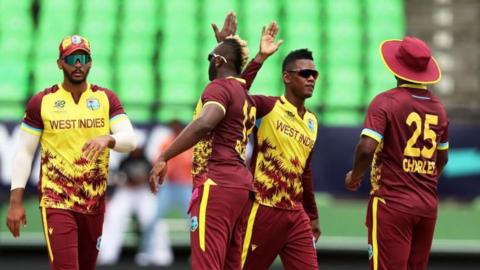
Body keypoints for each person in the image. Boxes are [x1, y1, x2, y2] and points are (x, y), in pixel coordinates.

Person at [148, 15, 282, 270]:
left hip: (216, 185)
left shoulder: (217, 88)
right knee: (231, 264)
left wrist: (165, 156)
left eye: (211, 56)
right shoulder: (239, 92)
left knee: (207, 264)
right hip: (241, 189)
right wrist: (255, 58)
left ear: (219, 61)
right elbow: (238, 86)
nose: (209, 61)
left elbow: (205, 123)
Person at [5, 35, 136, 270]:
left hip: (93, 202)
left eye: (83, 58)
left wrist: (109, 138)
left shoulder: (105, 98)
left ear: (91, 63)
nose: (78, 64)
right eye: (72, 58)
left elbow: (129, 140)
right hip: (56, 200)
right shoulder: (42, 102)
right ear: (60, 63)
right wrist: (16, 202)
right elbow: (25, 152)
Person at [345, 36, 449, 270]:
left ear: (396, 68)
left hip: (391, 203)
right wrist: (422, 182)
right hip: (427, 207)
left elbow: (366, 148)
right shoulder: (439, 109)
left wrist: (355, 176)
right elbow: (442, 159)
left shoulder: (386, 102)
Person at [238, 45, 321, 270]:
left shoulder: (312, 122)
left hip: (296, 214)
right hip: (263, 207)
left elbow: (305, 171)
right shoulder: (268, 106)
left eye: (314, 74)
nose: (311, 79)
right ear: (286, 77)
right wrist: (259, 58)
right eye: (305, 73)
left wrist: (312, 215)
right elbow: (237, 93)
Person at [136, 120, 193, 266]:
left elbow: (191, 162)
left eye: (176, 128)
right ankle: (146, 252)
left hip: (185, 186)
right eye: (172, 128)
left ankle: (196, 254)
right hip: (168, 187)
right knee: (152, 219)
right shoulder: (166, 142)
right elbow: (158, 161)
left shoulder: (190, 142)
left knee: (194, 222)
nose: (174, 130)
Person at [97, 146, 157, 266]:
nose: (136, 151)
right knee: (113, 216)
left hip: (143, 192)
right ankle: (107, 255)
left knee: (151, 217)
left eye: (139, 148)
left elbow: (152, 179)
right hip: (125, 192)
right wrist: (129, 181)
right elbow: (119, 179)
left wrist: (142, 180)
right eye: (134, 149)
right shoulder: (124, 161)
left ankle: (155, 255)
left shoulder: (147, 161)